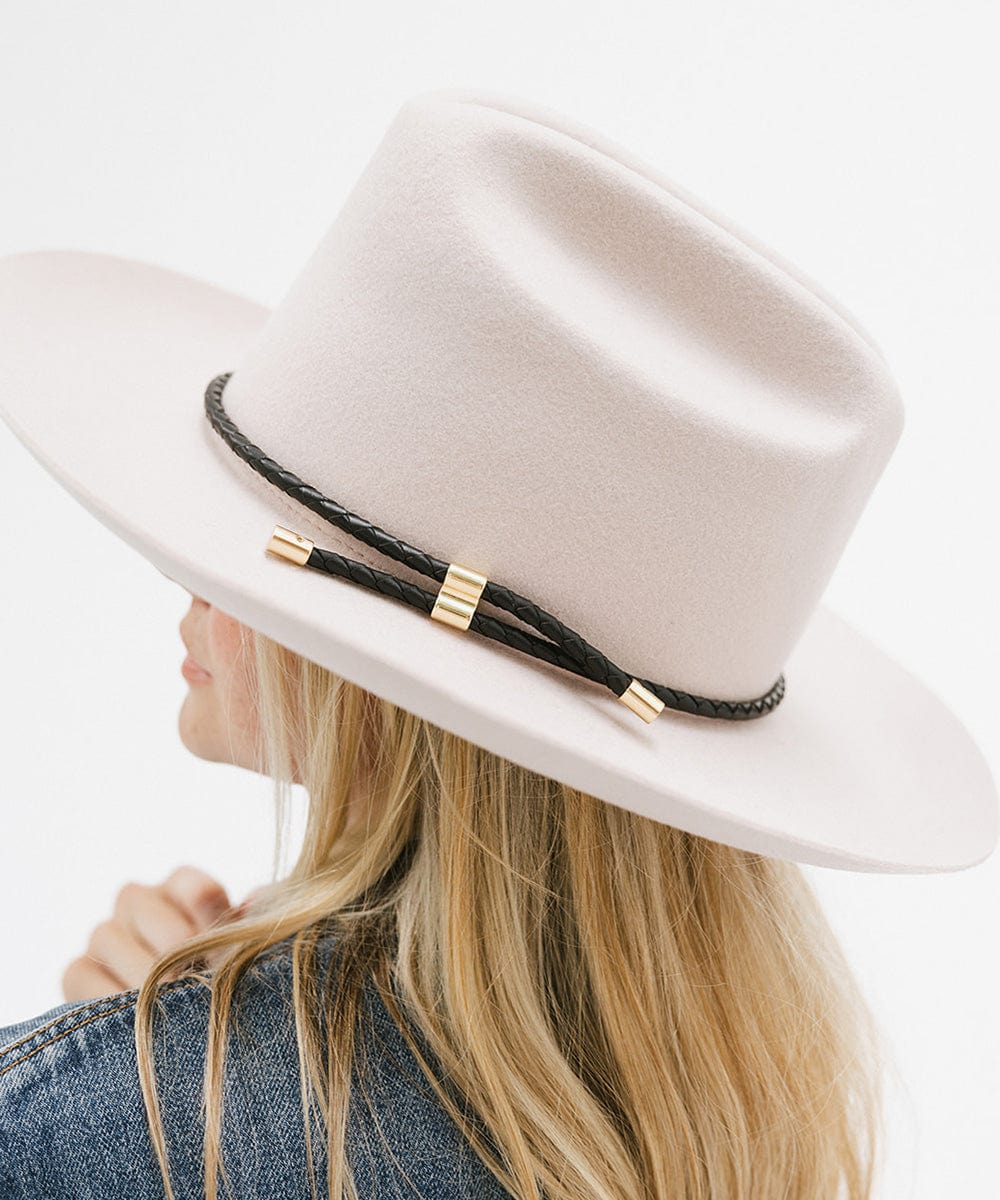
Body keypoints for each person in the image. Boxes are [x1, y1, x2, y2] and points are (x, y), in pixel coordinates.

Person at [0, 88, 995, 1200]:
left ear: (371, 681)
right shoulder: (742, 1124)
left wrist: (134, 1101)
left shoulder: (61, 1127)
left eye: (242, 549)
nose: (179, 577)